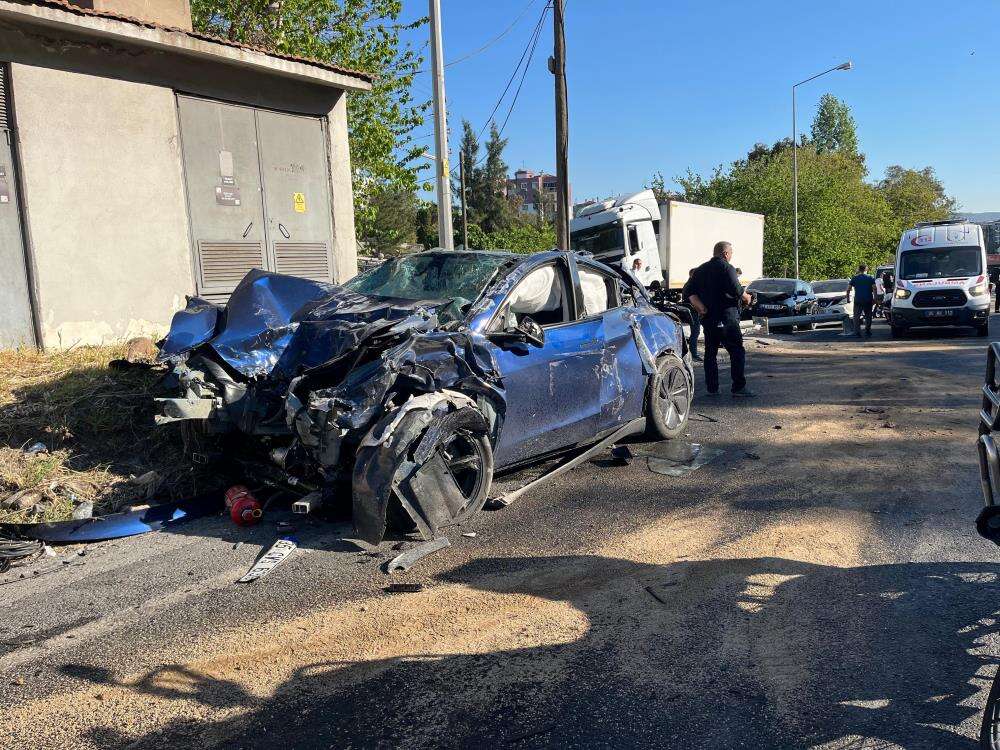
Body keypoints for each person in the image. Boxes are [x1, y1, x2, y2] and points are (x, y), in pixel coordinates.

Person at [688, 241, 755, 398]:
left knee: (710, 353)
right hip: (727, 317)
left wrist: (701, 308)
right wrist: (748, 298)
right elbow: (738, 290)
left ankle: (712, 388)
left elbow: (690, 293)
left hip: (708, 318)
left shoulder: (700, 270)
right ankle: (738, 387)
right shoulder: (727, 267)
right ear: (725, 253)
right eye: (731, 253)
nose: (731, 256)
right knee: (736, 351)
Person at [847, 263, 877, 337]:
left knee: (856, 317)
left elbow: (848, 289)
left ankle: (857, 332)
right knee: (868, 316)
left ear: (859, 269)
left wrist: (848, 298)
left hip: (858, 300)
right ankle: (867, 330)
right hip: (868, 299)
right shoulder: (870, 278)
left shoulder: (854, 278)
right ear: (866, 269)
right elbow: (874, 288)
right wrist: (875, 298)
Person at [681, 268, 702, 361]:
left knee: (695, 332)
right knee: (695, 332)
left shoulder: (689, 284)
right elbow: (693, 300)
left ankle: (692, 353)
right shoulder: (691, 285)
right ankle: (693, 354)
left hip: (692, 311)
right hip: (692, 311)